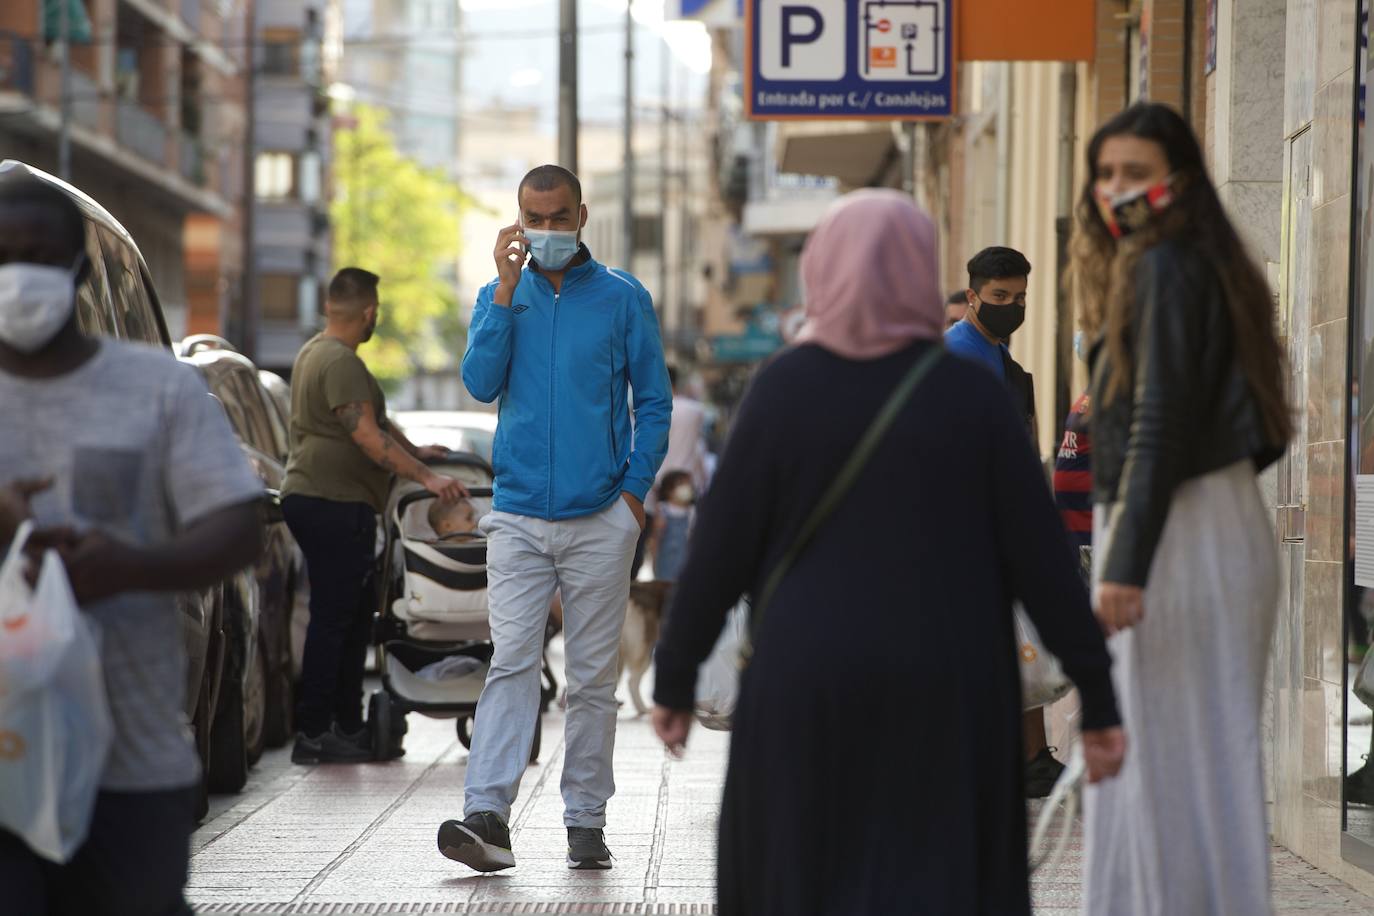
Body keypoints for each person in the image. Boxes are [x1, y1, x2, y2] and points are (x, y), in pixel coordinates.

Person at [650, 190, 1125, 915]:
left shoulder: (784, 390)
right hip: (949, 679)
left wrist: (676, 679)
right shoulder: (970, 394)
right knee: (939, 873)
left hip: (806, 677)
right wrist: (1099, 695)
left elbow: (720, 550)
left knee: (805, 871)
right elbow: (1042, 561)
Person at [0, 175, 265, 915]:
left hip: (132, 768)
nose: (18, 273)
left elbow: (238, 526)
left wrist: (132, 565)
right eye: (3, 256)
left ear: (77, 269)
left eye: (37, 255)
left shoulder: (161, 389)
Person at [1070, 102, 1290, 915]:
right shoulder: (1201, 263)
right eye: (1105, 173)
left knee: (1164, 766)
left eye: (1136, 172)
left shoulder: (1164, 267)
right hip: (1203, 520)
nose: (1116, 189)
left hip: (1177, 535)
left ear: (1181, 180)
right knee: (1200, 765)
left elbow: (1159, 418)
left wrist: (1124, 564)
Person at [440, 164, 671, 873]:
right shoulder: (498, 297)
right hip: (515, 514)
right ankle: (487, 815)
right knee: (512, 660)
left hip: (601, 516)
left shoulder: (624, 298)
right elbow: (479, 382)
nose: (545, 230)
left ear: (581, 216)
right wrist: (503, 293)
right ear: (517, 221)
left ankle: (585, 819)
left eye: (557, 217)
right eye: (532, 219)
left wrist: (633, 497)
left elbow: (653, 402)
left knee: (593, 677)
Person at [282, 267, 465, 765]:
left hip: (326, 498)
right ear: (369, 312)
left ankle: (346, 724)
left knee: (350, 617)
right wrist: (427, 478)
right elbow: (365, 434)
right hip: (332, 501)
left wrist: (415, 451)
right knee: (335, 620)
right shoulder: (339, 360)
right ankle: (316, 731)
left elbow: (377, 424)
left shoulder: (316, 352)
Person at [945, 245, 1063, 796]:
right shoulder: (958, 355)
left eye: (1019, 297)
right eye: (999, 296)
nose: (1012, 307)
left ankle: (1031, 756)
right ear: (972, 296)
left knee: (1016, 642)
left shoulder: (996, 354)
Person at [634, 365, 707, 579]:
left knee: (654, 539)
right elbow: (698, 449)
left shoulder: (650, 411)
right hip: (685, 485)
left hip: (654, 484)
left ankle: (658, 577)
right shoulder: (695, 411)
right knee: (683, 538)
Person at [647, 470, 695, 582]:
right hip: (664, 557)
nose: (687, 488)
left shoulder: (691, 512)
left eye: (688, 484)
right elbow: (655, 537)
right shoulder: (662, 509)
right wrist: (653, 556)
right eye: (681, 484)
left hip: (683, 557)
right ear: (668, 490)